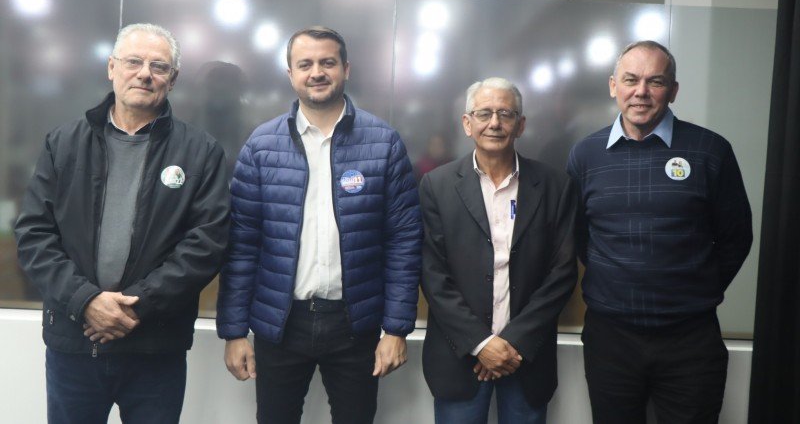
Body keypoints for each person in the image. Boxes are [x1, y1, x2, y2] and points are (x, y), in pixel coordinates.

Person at [14, 23, 230, 423]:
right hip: (74, 345)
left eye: (158, 66)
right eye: (133, 61)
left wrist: (137, 306)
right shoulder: (63, 143)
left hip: (155, 349)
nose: (145, 73)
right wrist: (86, 302)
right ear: (112, 68)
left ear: (173, 79)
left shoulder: (200, 152)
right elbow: (33, 235)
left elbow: (207, 243)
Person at [216, 26, 422, 424]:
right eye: (305, 64)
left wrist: (396, 329)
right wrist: (234, 331)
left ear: (346, 69)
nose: (317, 72)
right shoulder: (261, 146)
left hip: (354, 323)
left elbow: (403, 241)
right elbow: (242, 245)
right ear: (290, 73)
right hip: (280, 322)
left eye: (327, 62)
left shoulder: (384, 142)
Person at [567, 40, 753, 424]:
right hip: (610, 338)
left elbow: (737, 236)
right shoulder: (585, 154)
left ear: (673, 90)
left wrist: (694, 288)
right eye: (631, 80)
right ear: (613, 85)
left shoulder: (710, 150)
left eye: (656, 81)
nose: (641, 92)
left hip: (691, 338)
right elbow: (578, 236)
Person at [419, 77, 579, 424]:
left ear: (520, 125)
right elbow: (432, 273)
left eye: (505, 114)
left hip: (527, 356)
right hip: (459, 357)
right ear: (467, 123)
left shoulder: (554, 186)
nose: (495, 123)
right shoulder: (437, 185)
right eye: (484, 113)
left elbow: (563, 272)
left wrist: (513, 343)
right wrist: (481, 344)